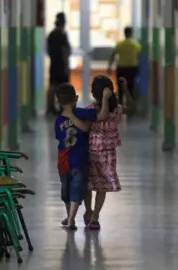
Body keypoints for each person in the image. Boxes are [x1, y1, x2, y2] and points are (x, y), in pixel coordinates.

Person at [54, 83, 112, 230]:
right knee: (77, 190)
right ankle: (72, 219)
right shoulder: (80, 113)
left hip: (63, 161)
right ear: (76, 98)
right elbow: (102, 116)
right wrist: (105, 98)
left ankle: (69, 217)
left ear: (58, 102)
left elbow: (59, 138)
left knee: (66, 190)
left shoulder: (58, 121)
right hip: (79, 160)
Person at [83, 76, 134, 230]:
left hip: (102, 154)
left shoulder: (113, 109)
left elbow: (131, 107)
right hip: (95, 153)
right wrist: (108, 98)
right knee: (91, 184)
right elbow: (102, 115)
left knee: (100, 186)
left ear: (93, 93)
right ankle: (89, 211)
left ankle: (95, 215)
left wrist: (125, 90)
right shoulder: (91, 110)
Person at [107, 26, 142, 106]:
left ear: (124, 33)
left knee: (120, 88)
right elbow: (139, 56)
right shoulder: (135, 45)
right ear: (132, 33)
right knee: (131, 87)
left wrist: (109, 67)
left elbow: (113, 55)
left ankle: (120, 106)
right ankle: (130, 107)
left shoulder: (120, 44)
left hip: (121, 69)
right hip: (133, 68)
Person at [47, 13, 71, 115]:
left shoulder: (51, 35)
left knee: (52, 86)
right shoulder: (62, 35)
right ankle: (62, 107)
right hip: (61, 65)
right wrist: (66, 66)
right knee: (63, 88)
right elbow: (65, 51)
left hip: (53, 64)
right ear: (63, 23)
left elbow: (49, 50)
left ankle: (50, 108)